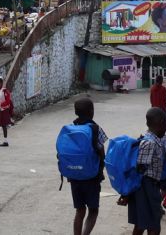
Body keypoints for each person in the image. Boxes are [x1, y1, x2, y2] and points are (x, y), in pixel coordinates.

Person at [118, 108, 166, 235]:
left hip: (144, 186)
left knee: (141, 224)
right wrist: (127, 193)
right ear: (162, 122)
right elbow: (139, 169)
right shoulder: (150, 143)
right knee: (154, 225)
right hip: (146, 186)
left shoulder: (146, 138)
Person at [67, 97, 107, 235]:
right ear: (91, 112)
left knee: (80, 210)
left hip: (74, 176)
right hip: (92, 177)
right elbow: (102, 152)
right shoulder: (95, 129)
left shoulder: (70, 129)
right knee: (93, 210)